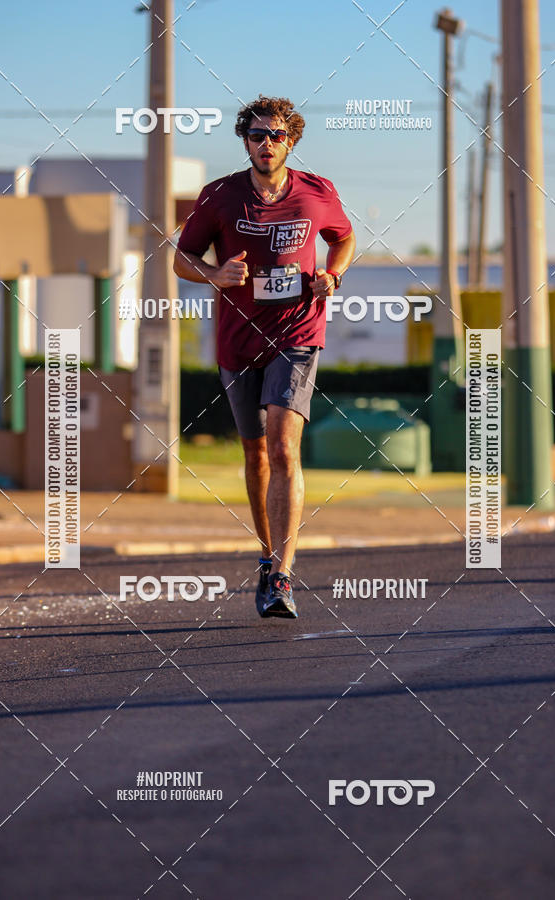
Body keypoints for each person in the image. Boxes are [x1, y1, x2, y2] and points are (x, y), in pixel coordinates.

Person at [174, 94, 355, 619]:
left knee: (282, 447)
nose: (267, 143)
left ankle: (282, 575)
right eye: (257, 135)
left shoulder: (317, 192)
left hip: (298, 332)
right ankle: (266, 554)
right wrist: (214, 274)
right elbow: (182, 258)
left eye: (277, 135)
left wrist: (332, 274)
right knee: (255, 454)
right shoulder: (219, 196)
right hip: (238, 340)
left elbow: (344, 239)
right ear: (245, 141)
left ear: (291, 141)